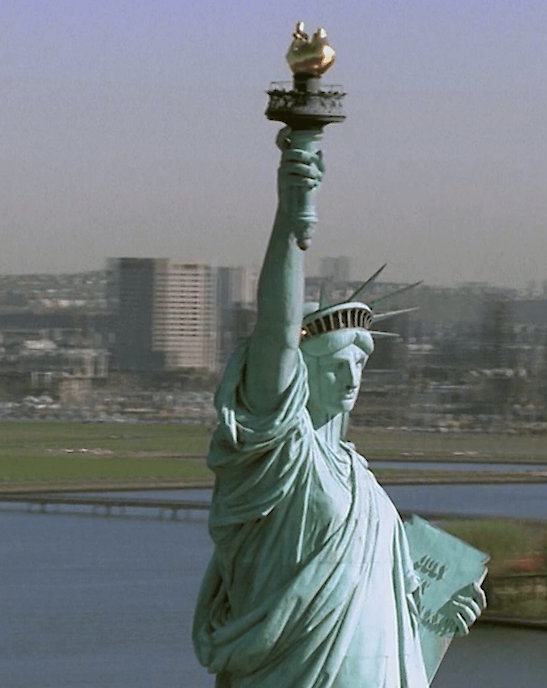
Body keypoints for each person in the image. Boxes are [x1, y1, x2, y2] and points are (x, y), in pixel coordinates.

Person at [192, 129, 484, 687]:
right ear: (300, 372)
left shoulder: (363, 483)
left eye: (359, 364)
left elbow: (383, 608)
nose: (352, 377)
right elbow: (277, 332)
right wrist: (292, 220)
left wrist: (438, 613)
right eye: (333, 364)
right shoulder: (282, 459)